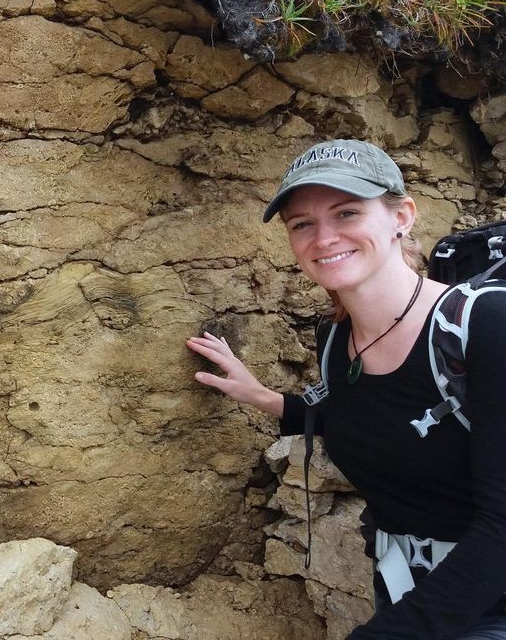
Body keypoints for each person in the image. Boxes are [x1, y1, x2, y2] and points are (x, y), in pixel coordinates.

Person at [186, 139, 506, 639]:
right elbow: (367, 419)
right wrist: (264, 397)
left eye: (347, 212)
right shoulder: (337, 339)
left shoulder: (486, 326)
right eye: (302, 224)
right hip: (406, 591)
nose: (324, 237)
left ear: (403, 215)